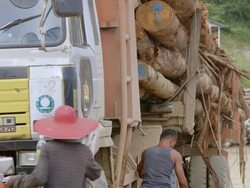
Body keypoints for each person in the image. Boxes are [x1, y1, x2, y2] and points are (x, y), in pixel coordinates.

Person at [7, 105, 102, 188]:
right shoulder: (84, 151)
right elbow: (96, 173)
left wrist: (15, 181)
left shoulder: (48, 149)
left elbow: (39, 178)